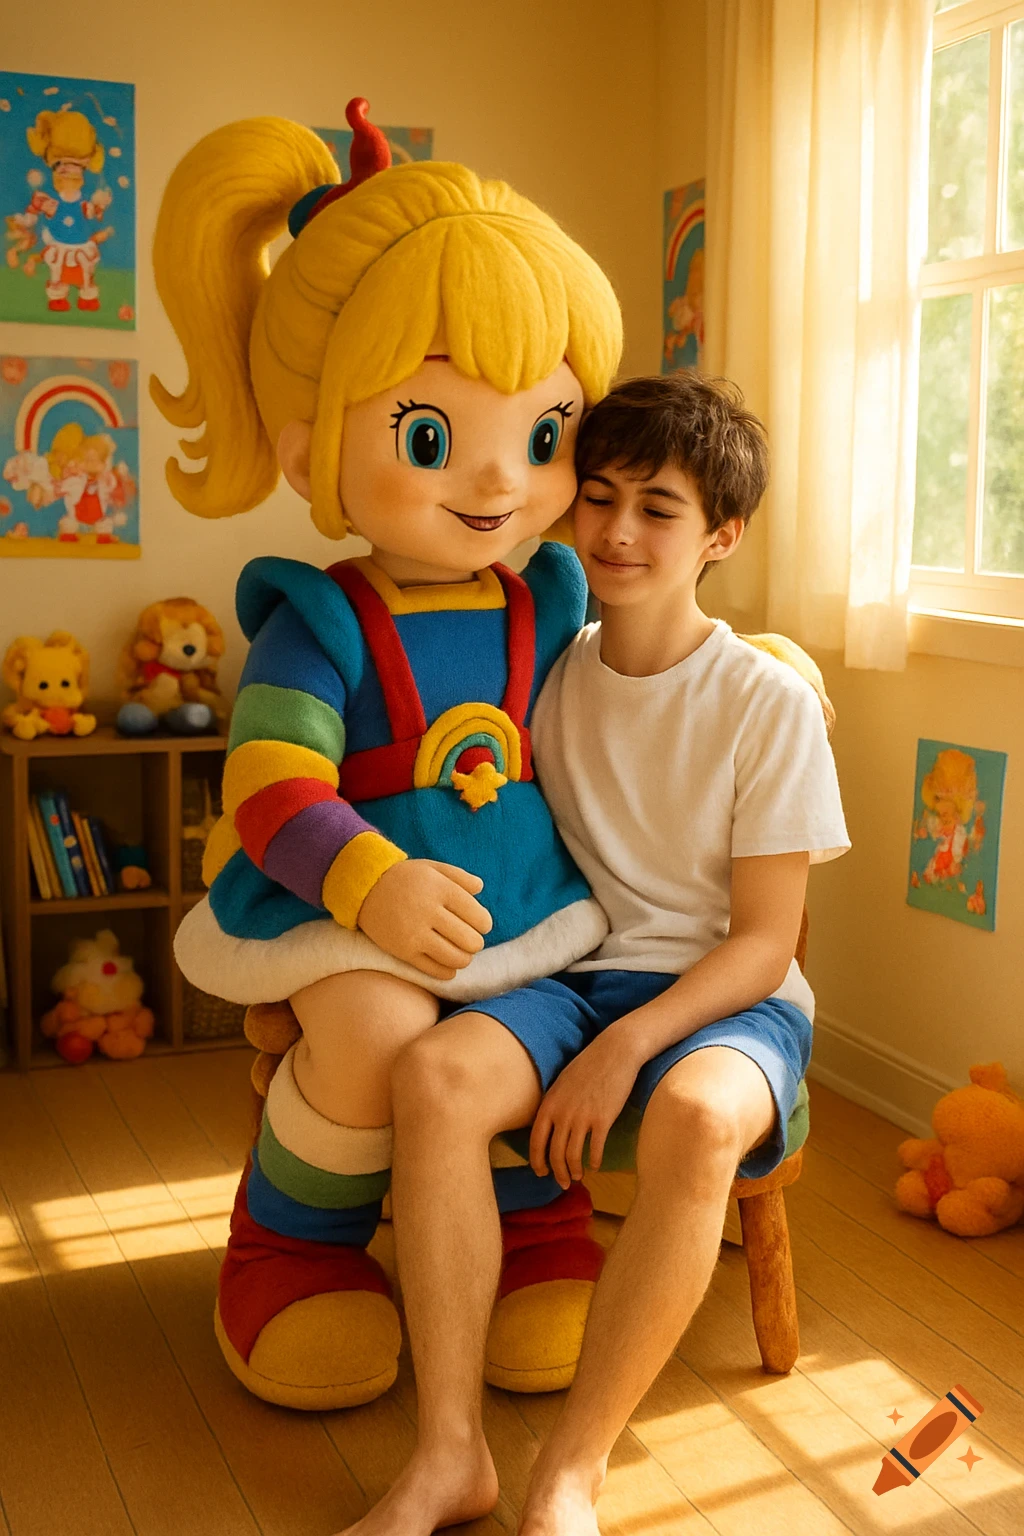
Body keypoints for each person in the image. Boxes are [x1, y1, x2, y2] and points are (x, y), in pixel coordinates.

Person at [152, 100, 624, 1411]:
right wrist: (371, 886)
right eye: (431, 437)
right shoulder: (320, 619)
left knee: (518, 1034)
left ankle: (528, 1232)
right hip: (349, 906)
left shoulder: (556, 596)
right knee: (375, 1032)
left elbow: (637, 699)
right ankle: (292, 1250)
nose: (497, 482)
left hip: (523, 902)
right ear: (311, 445)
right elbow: (269, 784)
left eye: (544, 435)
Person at [353, 372, 850, 1536]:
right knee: (431, 1078)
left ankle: (570, 1470)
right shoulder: (544, 673)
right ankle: (446, 1457)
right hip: (568, 974)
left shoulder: (764, 701)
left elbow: (765, 941)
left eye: (660, 507)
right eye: (601, 496)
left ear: (720, 533)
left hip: (730, 1000)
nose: (619, 530)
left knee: (690, 1117)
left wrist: (630, 1043)